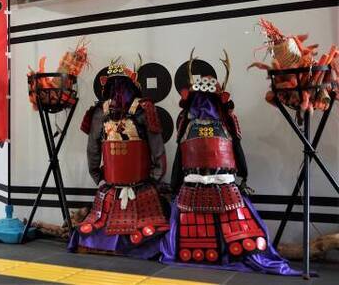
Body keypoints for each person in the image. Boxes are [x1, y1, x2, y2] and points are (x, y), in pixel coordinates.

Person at [162, 50, 297, 275]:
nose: (203, 104)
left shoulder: (189, 123)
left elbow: (182, 156)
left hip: (205, 187)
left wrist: (175, 185)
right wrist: (243, 176)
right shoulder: (220, 122)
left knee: (199, 232)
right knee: (235, 232)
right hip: (214, 187)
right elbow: (234, 152)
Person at [68, 60, 169, 258]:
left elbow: (92, 150)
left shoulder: (101, 111)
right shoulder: (144, 109)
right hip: (139, 186)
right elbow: (158, 150)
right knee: (148, 229)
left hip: (114, 187)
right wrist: (154, 178)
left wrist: (99, 178)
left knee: (100, 225)